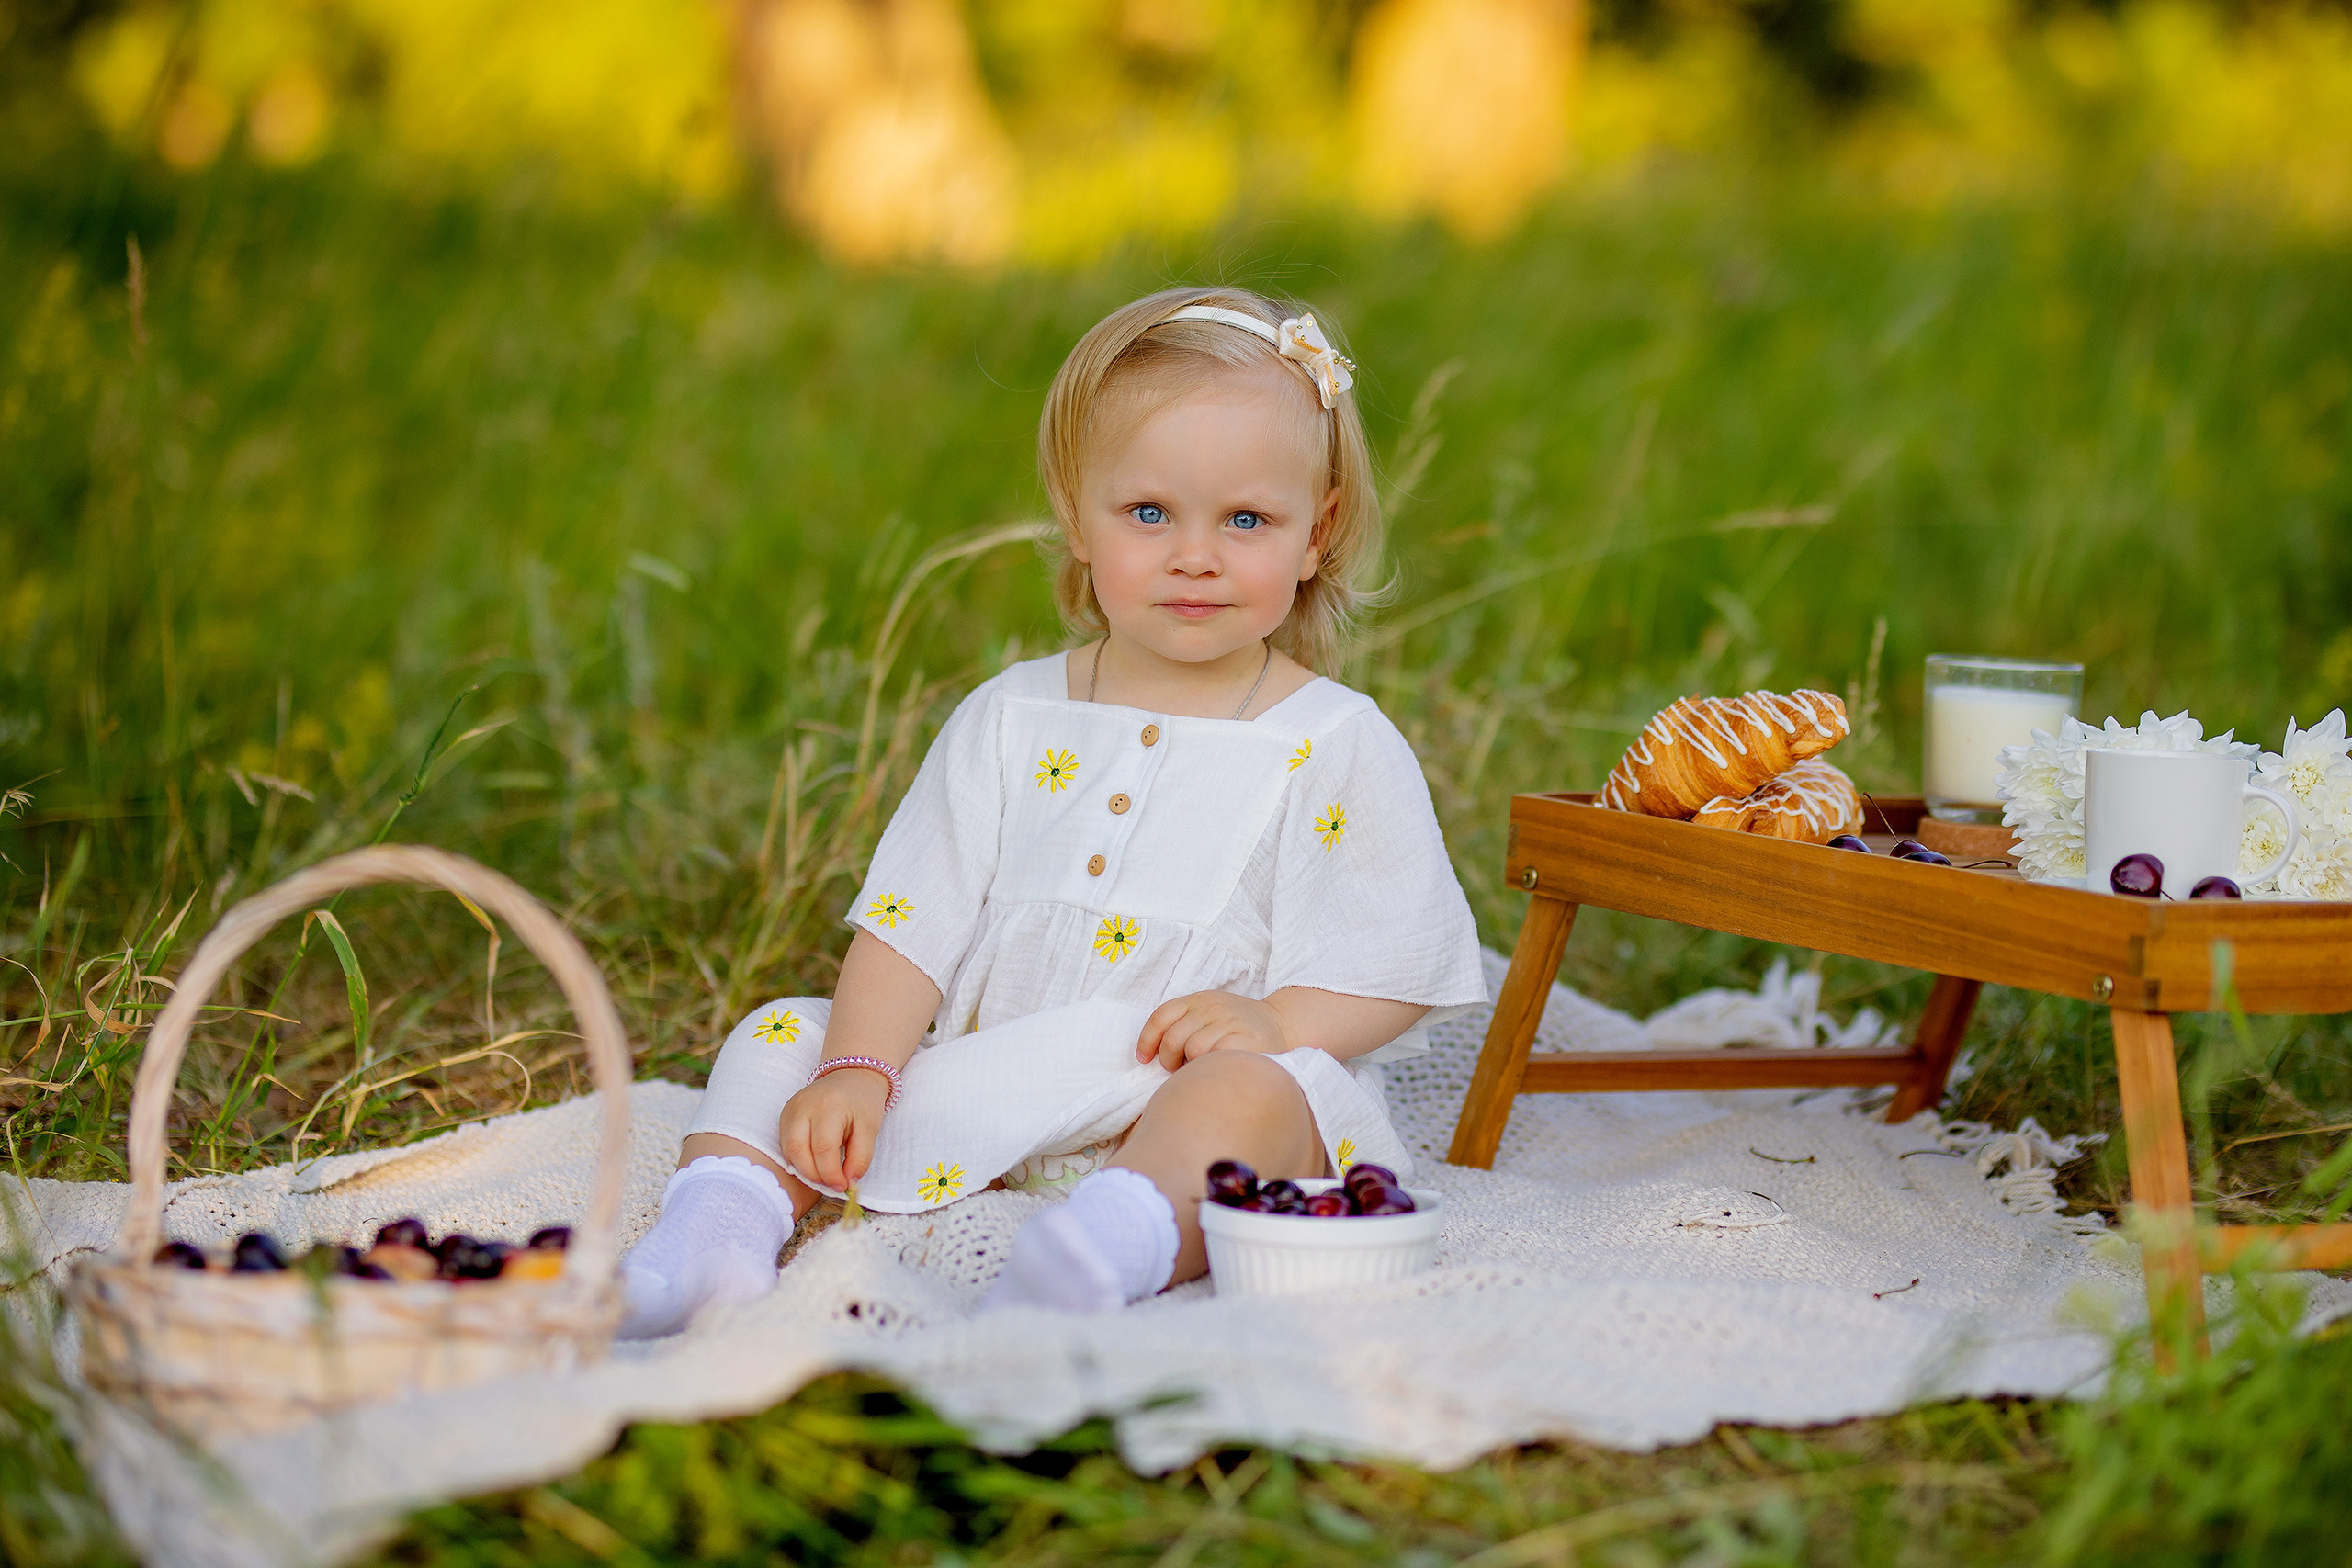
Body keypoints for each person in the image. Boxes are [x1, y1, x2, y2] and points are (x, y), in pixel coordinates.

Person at [617, 285, 1485, 1336]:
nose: (1195, 555)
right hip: (985, 1082)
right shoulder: (1009, 716)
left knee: (1258, 1100)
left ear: (1317, 533)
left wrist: (1275, 1022)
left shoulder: (1332, 740)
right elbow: (910, 921)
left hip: (1169, 1086)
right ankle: (719, 1227)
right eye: (1149, 513)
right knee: (784, 1037)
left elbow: (1397, 957)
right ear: (1077, 517)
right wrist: (858, 1071)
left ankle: (1103, 1246)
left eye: (1246, 519)